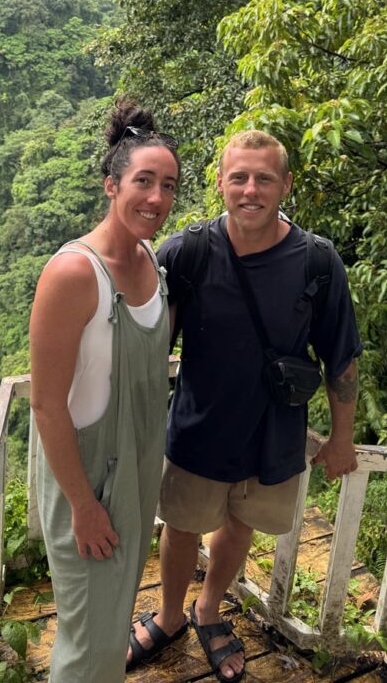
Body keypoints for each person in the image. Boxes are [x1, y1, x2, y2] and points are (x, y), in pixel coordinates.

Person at [127, 129, 361, 682]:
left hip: (275, 435)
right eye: (239, 177)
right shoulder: (189, 252)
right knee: (182, 526)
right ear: (220, 184)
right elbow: (146, 342)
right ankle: (169, 616)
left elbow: (341, 357)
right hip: (198, 428)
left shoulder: (317, 262)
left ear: (285, 184)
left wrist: (343, 437)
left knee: (240, 523)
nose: (250, 189)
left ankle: (208, 610)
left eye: (263, 178)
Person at [29, 99, 180, 682]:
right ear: (111, 185)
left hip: (138, 472)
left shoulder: (149, 261)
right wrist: (83, 506)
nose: (157, 198)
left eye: (168, 185)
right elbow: (45, 405)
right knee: (89, 643)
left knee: (110, 621)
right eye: (144, 181)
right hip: (88, 481)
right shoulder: (73, 273)